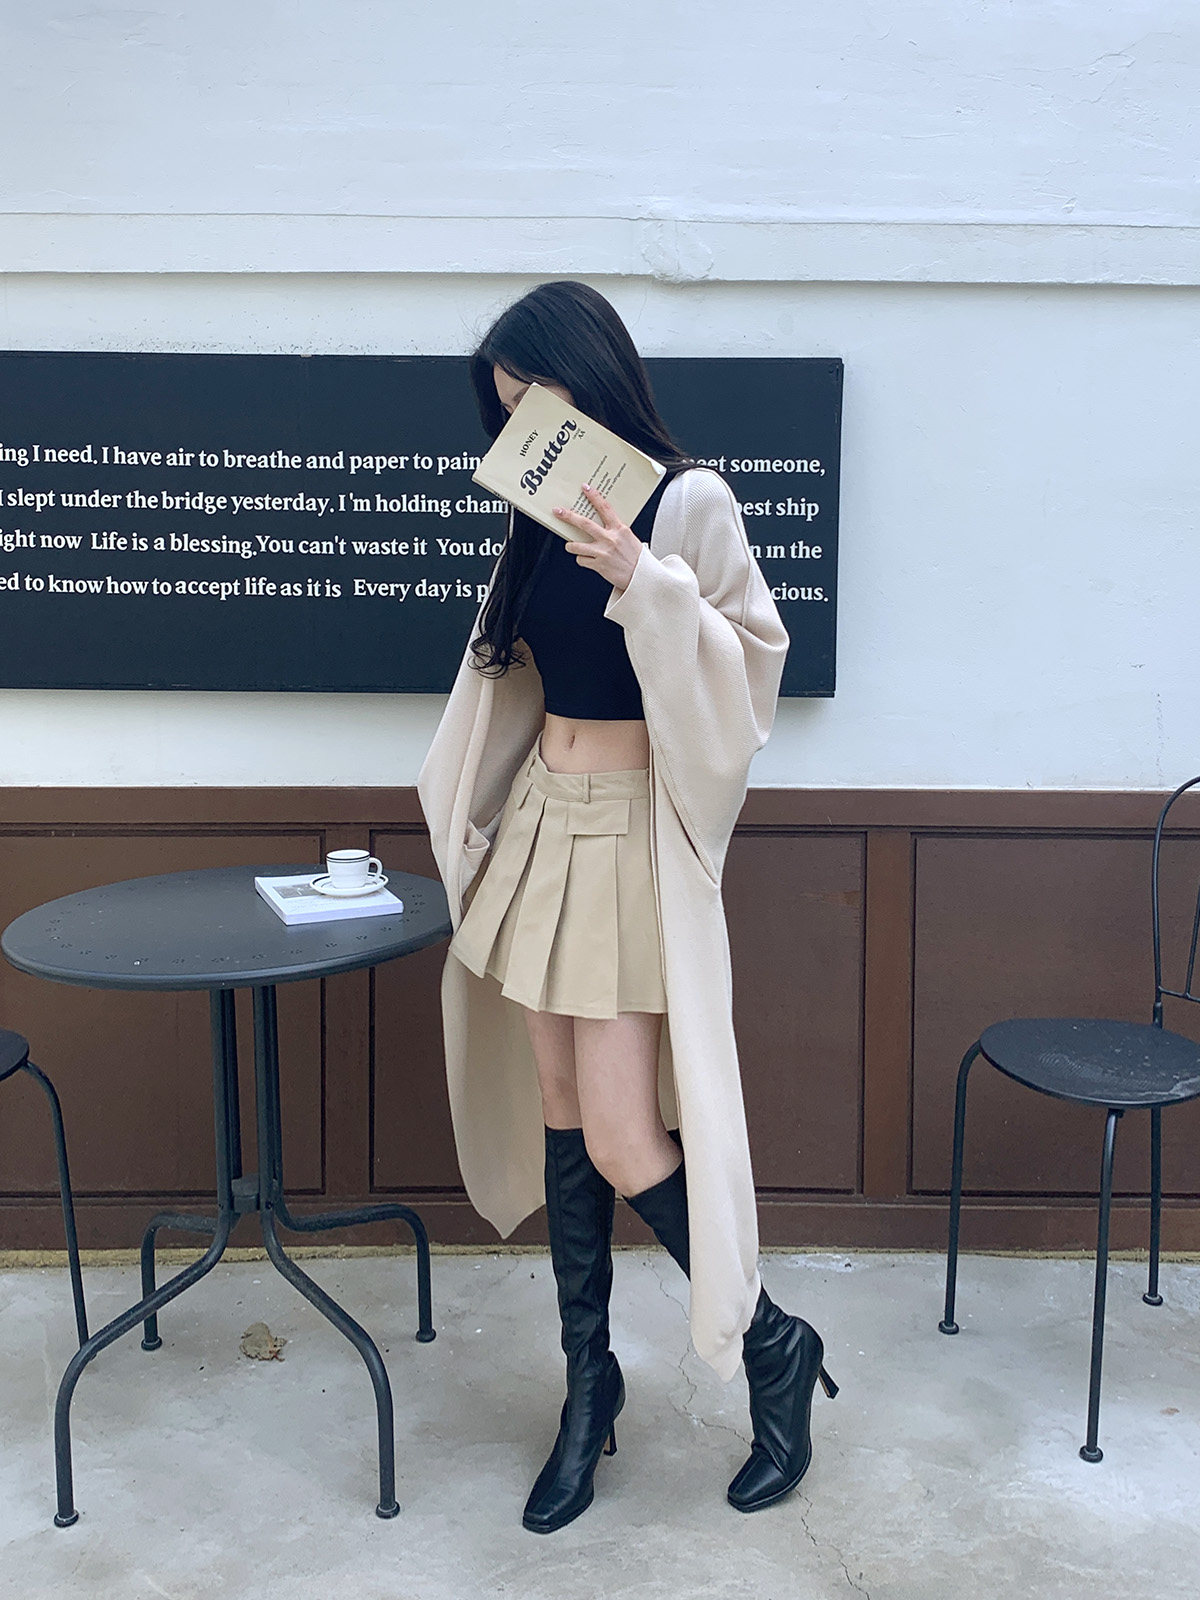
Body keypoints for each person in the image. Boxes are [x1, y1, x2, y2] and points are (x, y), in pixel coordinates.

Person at [417, 280, 836, 1535]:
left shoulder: (689, 500)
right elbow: (515, 673)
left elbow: (752, 667)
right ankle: (588, 1384)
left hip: (628, 838)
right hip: (544, 825)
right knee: (562, 1113)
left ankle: (770, 1340)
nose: (524, 431)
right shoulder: (536, 513)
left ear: (589, 380)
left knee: (619, 1131)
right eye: (507, 414)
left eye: (535, 401)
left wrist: (646, 579)